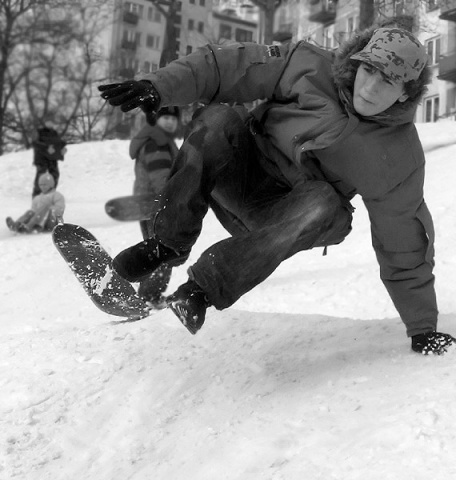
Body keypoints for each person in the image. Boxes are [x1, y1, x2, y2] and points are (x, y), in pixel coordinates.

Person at [98, 27, 455, 354]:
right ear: (357, 62)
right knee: (219, 119)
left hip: (287, 216)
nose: (370, 89)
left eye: (388, 82)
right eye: (369, 71)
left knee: (326, 203)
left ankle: (199, 292)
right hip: (237, 176)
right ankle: (167, 243)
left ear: (406, 92)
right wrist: (160, 86)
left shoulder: (398, 157)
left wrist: (422, 327)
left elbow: (403, 239)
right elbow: (228, 66)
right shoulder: (308, 65)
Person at [129, 106, 180, 307]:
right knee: (162, 250)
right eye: (165, 117)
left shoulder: (161, 140)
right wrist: (169, 200)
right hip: (156, 204)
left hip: (151, 205)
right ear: (157, 120)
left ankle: (149, 295)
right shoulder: (158, 142)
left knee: (157, 249)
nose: (169, 121)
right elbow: (160, 177)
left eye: (173, 118)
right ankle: (148, 297)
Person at [32, 127, 67, 197]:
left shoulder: (54, 132)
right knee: (41, 176)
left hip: (52, 158)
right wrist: (46, 147)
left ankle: (50, 192)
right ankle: (37, 194)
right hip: (41, 158)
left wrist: (62, 149)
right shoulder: (38, 131)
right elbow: (34, 143)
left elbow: (58, 143)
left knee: (55, 175)